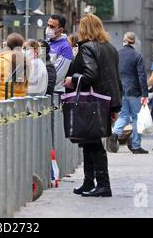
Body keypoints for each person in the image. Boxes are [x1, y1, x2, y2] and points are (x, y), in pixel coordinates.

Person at [64, 14, 122, 197]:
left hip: (92, 102)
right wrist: (114, 107)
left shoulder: (88, 48)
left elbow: (91, 75)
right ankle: (89, 182)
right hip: (105, 101)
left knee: (94, 143)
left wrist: (71, 79)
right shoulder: (110, 48)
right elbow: (114, 78)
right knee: (89, 141)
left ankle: (104, 184)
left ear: (84, 29)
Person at [108, 32, 149, 154]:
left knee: (123, 116)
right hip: (134, 91)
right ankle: (136, 146)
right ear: (134, 42)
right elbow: (142, 75)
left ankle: (115, 133)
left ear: (124, 40)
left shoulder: (117, 54)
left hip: (120, 91)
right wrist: (145, 93)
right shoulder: (137, 56)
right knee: (137, 118)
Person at [46, 15, 74, 94]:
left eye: (52, 26)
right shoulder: (46, 43)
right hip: (42, 90)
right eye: (48, 25)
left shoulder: (65, 48)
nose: (48, 28)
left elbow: (56, 75)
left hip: (55, 92)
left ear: (61, 30)